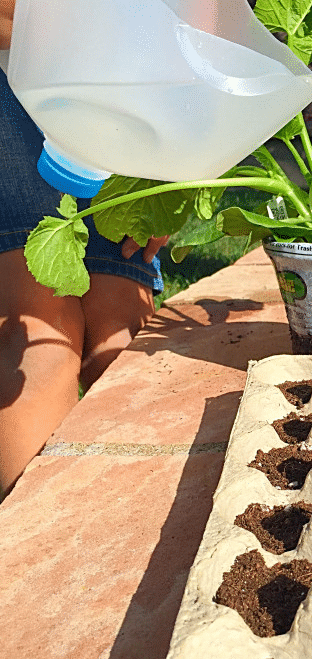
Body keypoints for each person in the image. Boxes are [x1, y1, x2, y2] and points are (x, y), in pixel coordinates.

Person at [0, 0, 168, 496]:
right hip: (109, 80)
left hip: (124, 84)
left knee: (115, 335)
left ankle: (77, 552)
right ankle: (54, 554)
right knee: (42, 335)